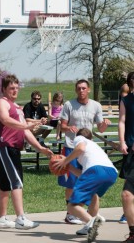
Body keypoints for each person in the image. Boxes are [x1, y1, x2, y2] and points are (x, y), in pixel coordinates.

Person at [0, 74, 53, 230]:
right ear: (3, 89)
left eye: (16, 88)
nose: (14, 91)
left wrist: (40, 148)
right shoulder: (1, 103)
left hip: (13, 148)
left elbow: (25, 132)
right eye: (11, 88)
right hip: (4, 147)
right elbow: (6, 120)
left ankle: (2, 219)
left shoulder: (17, 108)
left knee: (5, 184)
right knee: (16, 181)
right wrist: (26, 126)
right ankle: (20, 218)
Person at [59, 79, 111, 225]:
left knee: (88, 181)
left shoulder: (96, 105)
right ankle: (70, 214)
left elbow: (100, 128)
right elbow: (61, 126)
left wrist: (104, 124)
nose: (81, 91)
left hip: (87, 150)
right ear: (76, 90)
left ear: (88, 89)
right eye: (78, 88)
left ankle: (90, 213)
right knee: (71, 182)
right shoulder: (69, 105)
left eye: (83, 88)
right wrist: (68, 128)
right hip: (71, 146)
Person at [54, 128, 118, 243]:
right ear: (91, 138)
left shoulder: (79, 138)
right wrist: (69, 167)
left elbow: (80, 148)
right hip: (111, 173)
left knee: (72, 206)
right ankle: (88, 226)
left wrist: (65, 161)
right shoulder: (94, 146)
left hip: (95, 171)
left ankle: (91, 222)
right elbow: (83, 174)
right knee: (94, 195)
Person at [118, 71, 134, 242]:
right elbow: (122, 121)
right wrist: (122, 141)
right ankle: (133, 232)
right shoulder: (127, 100)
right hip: (131, 151)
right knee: (127, 195)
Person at [119, 82, 130, 224]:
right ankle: (126, 213)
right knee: (129, 180)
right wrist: (122, 142)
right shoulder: (125, 103)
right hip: (129, 146)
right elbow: (122, 122)